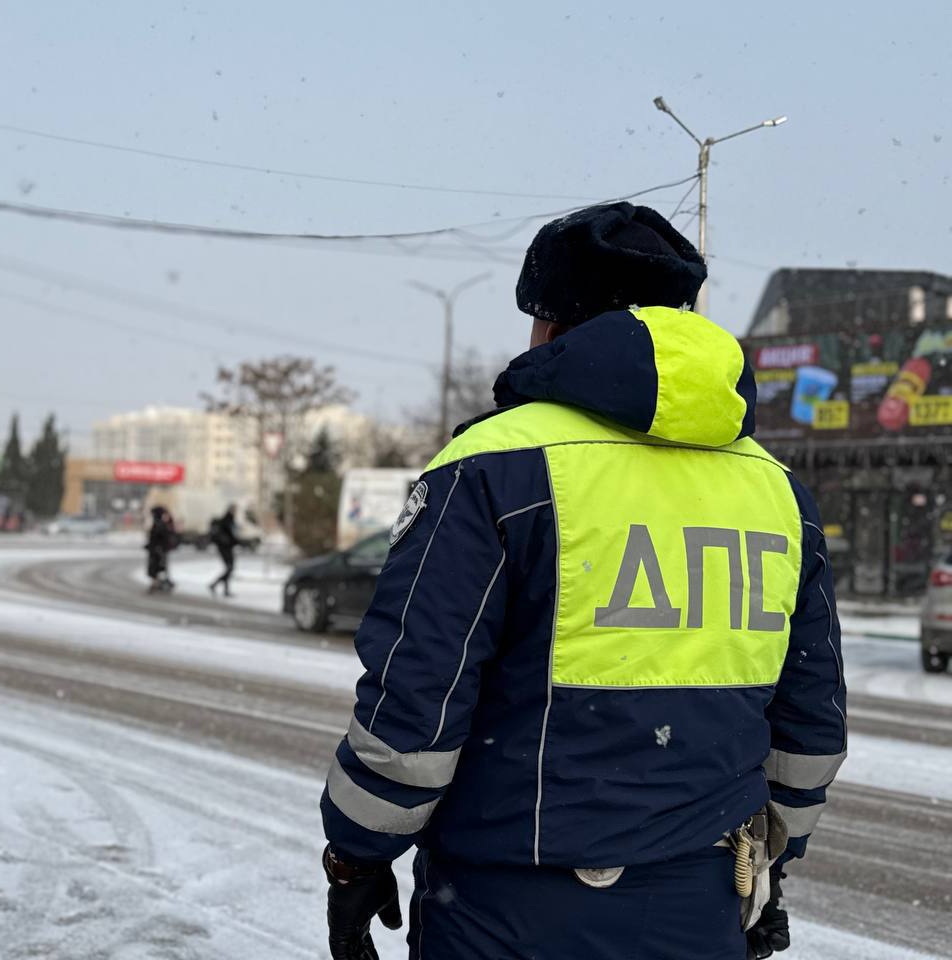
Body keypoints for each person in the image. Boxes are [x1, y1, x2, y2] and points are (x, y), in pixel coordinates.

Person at [319, 203, 846, 960]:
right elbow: (811, 716)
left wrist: (357, 856)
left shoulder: (494, 464)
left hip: (507, 906)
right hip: (704, 898)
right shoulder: (778, 491)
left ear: (555, 326)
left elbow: (417, 703)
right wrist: (772, 860)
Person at [208, 505, 240, 598]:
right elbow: (230, 535)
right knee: (229, 568)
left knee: (229, 568)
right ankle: (216, 585)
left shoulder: (230, 520)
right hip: (225, 548)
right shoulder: (227, 521)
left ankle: (221, 587)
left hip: (227, 547)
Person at [145, 506, 177, 593]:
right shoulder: (160, 523)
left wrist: (155, 547)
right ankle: (158, 583)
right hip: (158, 550)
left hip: (158, 551)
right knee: (159, 568)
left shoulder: (159, 524)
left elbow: (159, 538)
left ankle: (158, 584)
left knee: (158, 568)